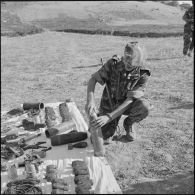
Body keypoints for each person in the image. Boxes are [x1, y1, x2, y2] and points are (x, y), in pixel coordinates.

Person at [85, 42, 151, 144]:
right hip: (109, 105)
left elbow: (130, 100)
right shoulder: (113, 64)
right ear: (124, 55)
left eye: (133, 64)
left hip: (127, 106)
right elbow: (93, 80)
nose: (128, 65)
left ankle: (129, 123)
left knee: (144, 106)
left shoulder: (143, 74)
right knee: (98, 139)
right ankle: (110, 124)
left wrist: (109, 117)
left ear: (140, 62)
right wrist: (91, 101)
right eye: (127, 61)